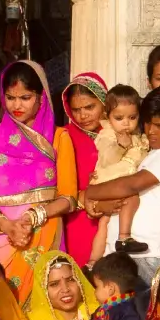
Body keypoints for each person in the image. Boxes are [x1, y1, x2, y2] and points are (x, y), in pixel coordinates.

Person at [0, 61, 76, 302]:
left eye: (25, 97)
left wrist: (33, 216)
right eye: (10, 97)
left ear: (41, 98)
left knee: (42, 306)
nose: (16, 105)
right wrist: (7, 226)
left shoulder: (59, 138)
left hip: (43, 230)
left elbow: (68, 198)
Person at [86, 84, 160, 284]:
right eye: (147, 123)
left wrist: (89, 193)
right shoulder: (148, 152)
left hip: (148, 256)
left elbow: (130, 185)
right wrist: (97, 203)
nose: (151, 131)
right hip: (118, 257)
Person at [89, 85, 149, 258]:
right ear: (107, 117)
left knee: (104, 223)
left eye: (132, 117)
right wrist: (121, 145)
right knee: (131, 199)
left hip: (119, 181)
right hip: (110, 181)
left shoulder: (137, 135)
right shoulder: (107, 134)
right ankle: (124, 238)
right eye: (119, 118)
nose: (126, 123)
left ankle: (93, 261)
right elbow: (107, 159)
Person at [57, 71, 108, 264]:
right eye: (76, 109)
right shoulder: (62, 136)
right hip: (76, 221)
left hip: (114, 218)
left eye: (89, 107)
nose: (82, 115)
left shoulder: (120, 133)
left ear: (104, 102)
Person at [24, 250, 97, 320]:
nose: (65, 289)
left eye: (71, 280)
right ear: (43, 290)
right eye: (54, 284)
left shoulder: (99, 311)